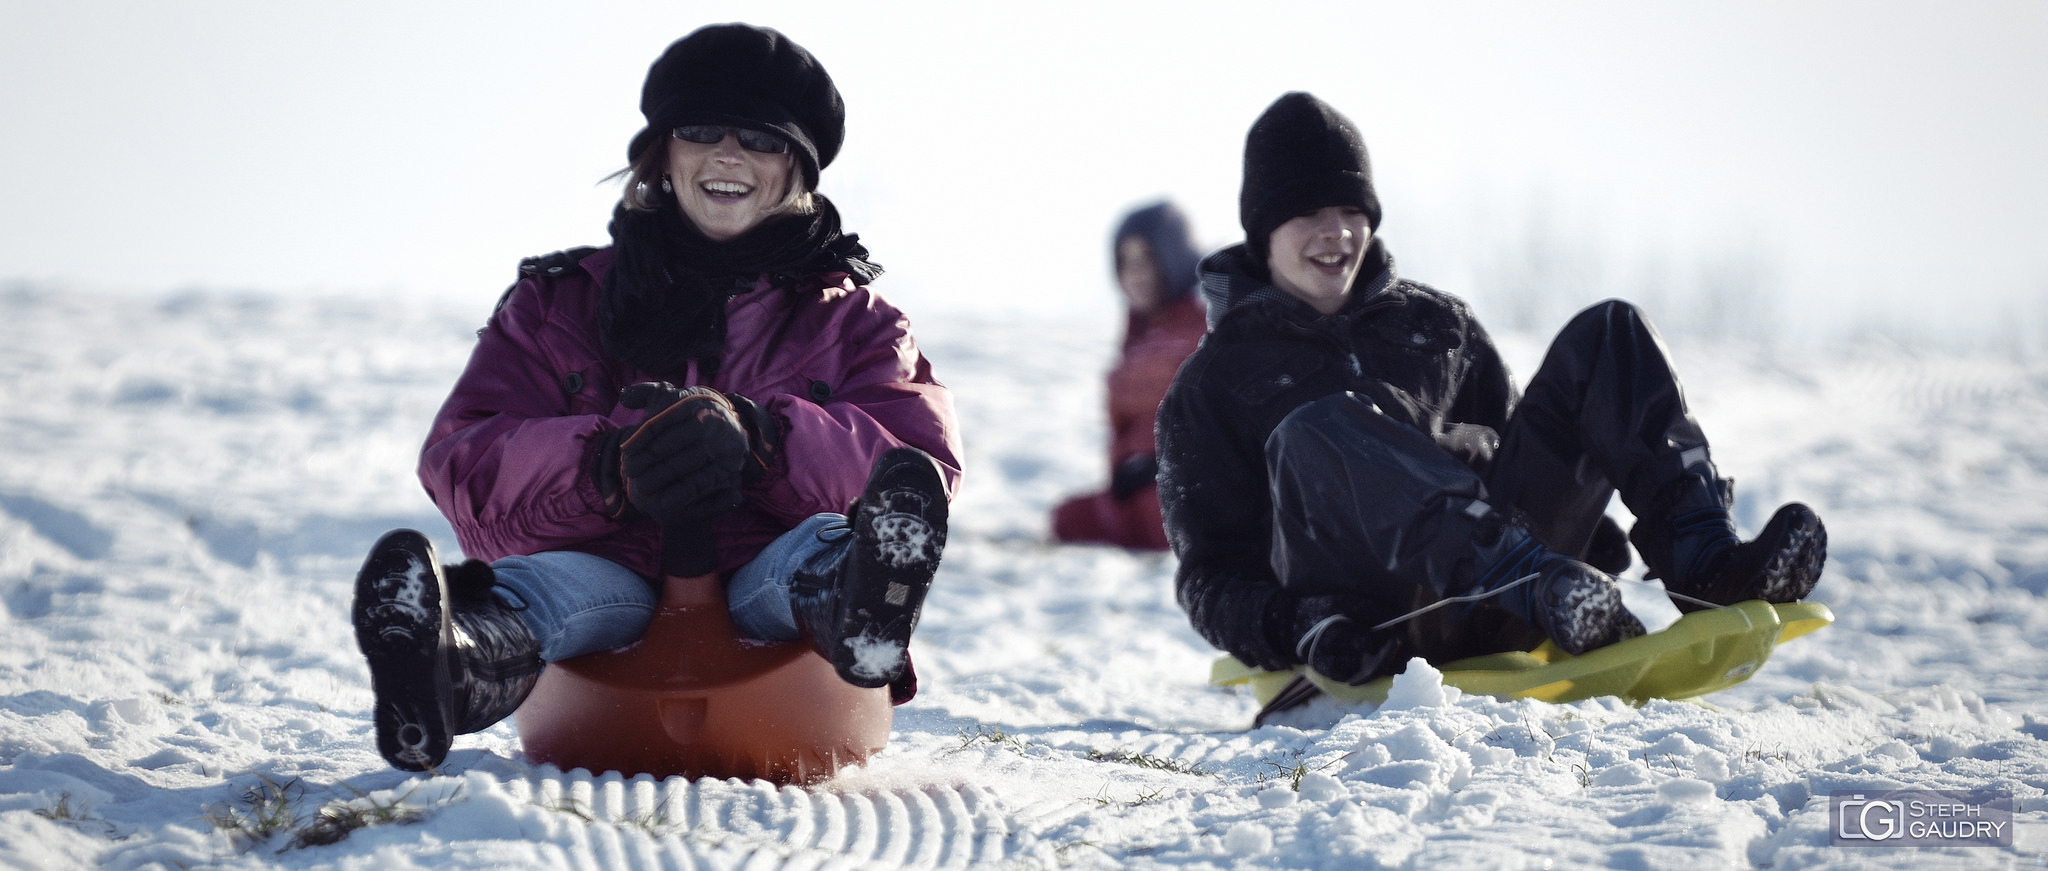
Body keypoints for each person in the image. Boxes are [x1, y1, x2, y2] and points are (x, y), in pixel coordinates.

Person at [349, 23, 962, 772]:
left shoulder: (856, 321)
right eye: (702, 131)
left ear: (800, 169)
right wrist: (606, 463)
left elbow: (917, 462)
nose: (729, 156)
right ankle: (450, 661)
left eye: (763, 141)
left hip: (766, 579)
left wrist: (766, 442)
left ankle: (860, 602)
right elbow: (463, 458)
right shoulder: (559, 304)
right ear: (664, 154)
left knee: (814, 552)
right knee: (541, 590)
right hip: (610, 575)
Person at [1156, 92, 1826, 701]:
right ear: (1262, 228)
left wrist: (1588, 538)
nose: (1336, 233)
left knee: (1610, 332)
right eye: (1308, 213)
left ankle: (1705, 560)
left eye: (1351, 211)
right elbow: (1210, 575)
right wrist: (1297, 625)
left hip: (1516, 591)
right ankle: (1531, 579)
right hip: (1376, 626)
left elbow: (1520, 450)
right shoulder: (1210, 386)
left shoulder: (1436, 326)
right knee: (1320, 426)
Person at [1050, 202, 1208, 550]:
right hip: (1137, 492)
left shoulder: (1206, 326)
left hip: (1187, 494)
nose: (1135, 273)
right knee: (1066, 519)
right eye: (1125, 262)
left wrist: (1162, 464)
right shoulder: (1139, 332)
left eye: (1147, 259)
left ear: (1174, 257)